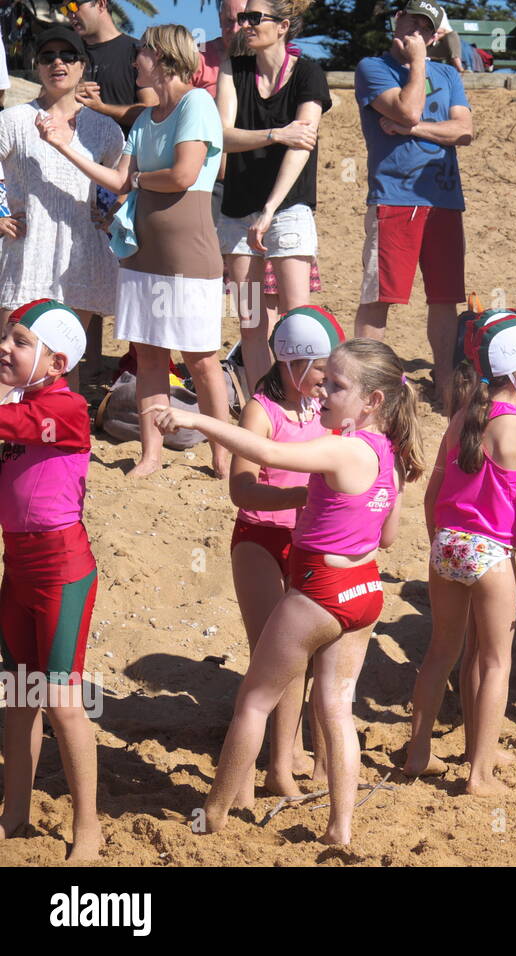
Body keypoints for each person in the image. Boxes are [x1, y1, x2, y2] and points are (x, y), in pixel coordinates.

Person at [151, 338, 424, 843]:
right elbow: (386, 534)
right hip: (365, 589)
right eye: (323, 381)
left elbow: (271, 451)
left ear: (373, 401)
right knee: (338, 708)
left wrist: (196, 421)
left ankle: (213, 814)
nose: (322, 393)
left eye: (336, 386)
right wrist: (325, 506)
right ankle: (341, 827)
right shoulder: (391, 452)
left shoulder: (343, 446)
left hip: (320, 589)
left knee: (254, 702)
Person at [39, 25, 229, 479]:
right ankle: (151, 455)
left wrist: (140, 181)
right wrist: (66, 148)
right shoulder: (145, 118)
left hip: (188, 258)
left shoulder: (197, 103)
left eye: (141, 52)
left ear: (163, 57)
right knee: (148, 357)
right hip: (141, 255)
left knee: (201, 360)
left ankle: (224, 455)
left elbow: (182, 175)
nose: (134, 59)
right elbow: (119, 180)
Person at [407, 316, 516, 793]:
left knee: (442, 652)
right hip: (490, 553)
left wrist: (438, 542)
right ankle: (479, 774)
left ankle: (420, 752)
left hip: (447, 543)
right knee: (494, 662)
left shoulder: (462, 418)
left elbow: (431, 498)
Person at [228, 306, 344, 801]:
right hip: (260, 538)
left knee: (299, 659)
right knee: (270, 660)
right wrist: (301, 498)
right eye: (321, 370)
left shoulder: (323, 410)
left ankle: (284, 763)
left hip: (305, 543)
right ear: (294, 363)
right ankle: (260, 771)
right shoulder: (261, 410)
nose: (328, 380)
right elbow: (242, 489)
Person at [0, 301, 101, 861]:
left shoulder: (69, 408)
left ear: (56, 361)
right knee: (18, 696)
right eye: (6, 337)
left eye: (18, 340)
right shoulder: (18, 407)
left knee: (62, 701)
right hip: (17, 567)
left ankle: (88, 827)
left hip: (61, 570)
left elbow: (11, 424)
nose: (4, 348)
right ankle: (15, 814)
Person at [354, 0, 472, 412]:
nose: (415, 30)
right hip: (394, 197)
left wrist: (414, 129)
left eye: (426, 27)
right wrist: (418, 65)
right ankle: (365, 385)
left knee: (444, 297)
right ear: (396, 20)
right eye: (410, 20)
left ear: (437, 35)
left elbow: (465, 130)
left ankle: (443, 384)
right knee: (379, 296)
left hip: (443, 198)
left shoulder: (447, 73)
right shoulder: (372, 67)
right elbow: (407, 106)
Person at [0, 27, 122, 392]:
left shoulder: (105, 129)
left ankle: (56, 445)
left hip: (81, 255)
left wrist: (111, 214)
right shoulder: (13, 121)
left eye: (68, 56)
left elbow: (121, 185)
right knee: (9, 360)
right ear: (36, 66)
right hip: (26, 250)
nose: (58, 62)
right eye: (48, 56)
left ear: (83, 66)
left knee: (63, 362)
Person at [217, 0, 331, 390]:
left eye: (254, 18)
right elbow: (222, 136)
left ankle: (306, 404)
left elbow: (304, 143)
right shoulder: (234, 69)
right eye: (241, 17)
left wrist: (269, 208)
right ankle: (262, 405)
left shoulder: (309, 73)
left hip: (289, 206)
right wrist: (275, 134)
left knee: (298, 318)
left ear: (283, 26)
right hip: (236, 209)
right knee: (250, 324)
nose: (244, 24)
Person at [62, 0, 158, 134]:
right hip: (72, 152)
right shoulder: (65, 55)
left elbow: (151, 111)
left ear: (101, 4)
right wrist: (66, 93)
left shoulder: (137, 53)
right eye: (65, 9)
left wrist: (102, 108)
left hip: (124, 153)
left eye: (74, 5)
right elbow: (44, 95)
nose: (70, 14)